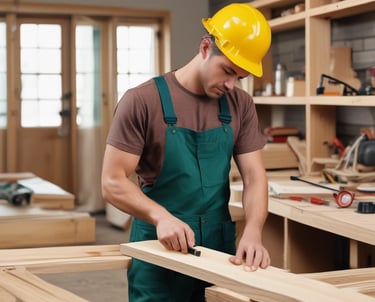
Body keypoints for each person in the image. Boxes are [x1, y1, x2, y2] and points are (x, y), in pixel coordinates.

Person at [101, 3, 272, 301]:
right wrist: (160, 216)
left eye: (240, 78)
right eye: (228, 71)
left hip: (219, 250)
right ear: (205, 47)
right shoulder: (142, 101)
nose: (232, 85)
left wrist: (254, 230)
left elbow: (255, 177)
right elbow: (112, 181)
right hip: (158, 247)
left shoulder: (241, 105)